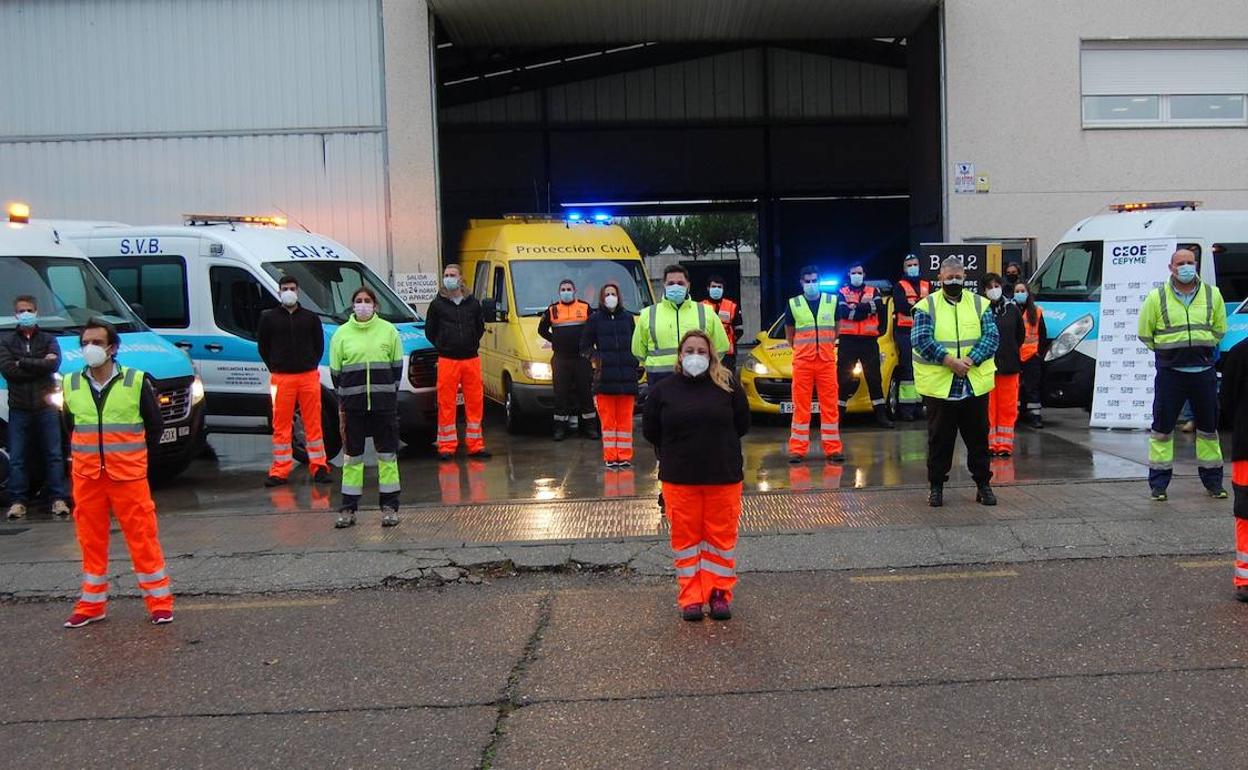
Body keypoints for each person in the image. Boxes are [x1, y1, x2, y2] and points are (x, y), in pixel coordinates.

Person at [60, 319, 172, 627]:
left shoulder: (135, 381)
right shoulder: (70, 383)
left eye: (97, 343)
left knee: (142, 538)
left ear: (112, 348)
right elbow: (69, 427)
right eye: (86, 343)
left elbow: (154, 427)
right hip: (88, 477)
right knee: (90, 541)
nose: (90, 349)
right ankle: (91, 604)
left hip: (128, 476)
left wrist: (138, 462)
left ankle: (159, 602)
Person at [642, 329, 749, 622]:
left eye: (701, 351)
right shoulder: (663, 390)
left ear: (711, 355)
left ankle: (718, 595)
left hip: (723, 477)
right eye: (689, 351)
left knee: (720, 540)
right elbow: (651, 431)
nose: (695, 356)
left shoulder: (727, 385)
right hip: (680, 479)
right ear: (679, 355)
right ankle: (691, 598)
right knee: (686, 540)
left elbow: (742, 423)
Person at [1137, 247, 1227, 502]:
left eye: (1190, 262)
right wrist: (1171, 354)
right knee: (1163, 429)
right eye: (1181, 263)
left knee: (1208, 429)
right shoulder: (1157, 297)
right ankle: (1159, 485)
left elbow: (1220, 329)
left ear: (1196, 265)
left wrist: (1202, 350)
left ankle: (1214, 483)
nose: (1186, 267)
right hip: (1171, 374)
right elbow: (1145, 332)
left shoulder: (1213, 294)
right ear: (1171, 268)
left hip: (1204, 373)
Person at [912, 256, 999, 507]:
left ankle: (984, 486)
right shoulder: (926, 306)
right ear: (939, 278)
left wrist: (969, 361)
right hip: (941, 387)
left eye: (957, 277)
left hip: (973, 386)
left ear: (965, 278)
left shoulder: (980, 304)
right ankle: (936, 487)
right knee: (940, 442)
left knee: (979, 441)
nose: (953, 281)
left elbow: (991, 338)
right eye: (948, 277)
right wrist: (951, 362)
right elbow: (921, 340)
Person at [329, 287, 404, 528]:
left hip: (383, 406)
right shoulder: (341, 335)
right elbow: (336, 373)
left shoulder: (388, 331)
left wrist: (387, 394)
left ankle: (390, 507)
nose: (363, 304)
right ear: (352, 305)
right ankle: (348, 509)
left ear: (375, 305)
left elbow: (396, 368)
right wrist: (347, 397)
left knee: (387, 456)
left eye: (367, 300)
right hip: (353, 407)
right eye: (358, 300)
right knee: (352, 458)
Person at [256, 276, 331, 487]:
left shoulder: (310, 318)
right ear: (279, 292)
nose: (288, 291)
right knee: (281, 423)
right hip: (282, 378)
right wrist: (275, 366)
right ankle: (280, 470)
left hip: (308, 376)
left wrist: (310, 364)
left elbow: (318, 346)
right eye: (285, 288)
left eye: (292, 288)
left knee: (313, 423)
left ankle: (319, 466)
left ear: (298, 291)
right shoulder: (269, 318)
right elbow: (263, 347)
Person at [0, 295, 69, 519]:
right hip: (19, 408)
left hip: (45, 406)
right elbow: (9, 370)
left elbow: (54, 364)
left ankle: (58, 498)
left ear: (37, 312)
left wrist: (24, 361)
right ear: (16, 314)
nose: (26, 314)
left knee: (54, 455)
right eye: (22, 310)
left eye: (29, 309)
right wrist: (39, 364)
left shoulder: (48, 338)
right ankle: (18, 501)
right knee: (18, 456)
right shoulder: (6, 341)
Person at [424, 264, 488, 460]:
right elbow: (430, 331)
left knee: (475, 402)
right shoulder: (437, 305)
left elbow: (479, 328)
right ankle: (446, 446)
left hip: (470, 359)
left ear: (461, 278)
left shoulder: (473, 304)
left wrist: (470, 343)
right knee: (446, 403)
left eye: (452, 275)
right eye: (446, 275)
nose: (448, 278)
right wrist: (443, 345)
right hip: (447, 359)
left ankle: (475, 445)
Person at [632, 264, 730, 389]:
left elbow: (722, 346)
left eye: (680, 283)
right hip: (660, 380)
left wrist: (704, 364)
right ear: (664, 286)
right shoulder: (648, 314)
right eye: (671, 283)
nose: (675, 286)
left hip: (697, 377)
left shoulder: (706, 312)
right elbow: (637, 350)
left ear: (688, 285)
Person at [783, 265, 843, 464]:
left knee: (830, 406)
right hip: (803, 362)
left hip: (826, 362)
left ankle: (833, 449)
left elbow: (837, 329)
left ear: (820, 280)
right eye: (807, 281)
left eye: (814, 280)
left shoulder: (832, 301)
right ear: (801, 283)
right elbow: (790, 334)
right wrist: (803, 350)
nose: (811, 284)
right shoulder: (793, 304)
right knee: (801, 407)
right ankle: (797, 450)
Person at [581, 282, 639, 468]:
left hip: (626, 378)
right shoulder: (595, 319)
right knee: (608, 422)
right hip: (604, 379)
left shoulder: (628, 318)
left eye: (613, 293)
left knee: (624, 422)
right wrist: (597, 360)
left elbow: (636, 343)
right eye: (607, 294)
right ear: (602, 298)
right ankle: (610, 456)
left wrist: (635, 362)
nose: (610, 297)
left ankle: (624, 456)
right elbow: (584, 346)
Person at [538, 278, 598, 441]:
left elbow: (595, 327)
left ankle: (590, 428)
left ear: (574, 291)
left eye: (568, 289)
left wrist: (589, 344)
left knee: (585, 393)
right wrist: (555, 340)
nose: (566, 292)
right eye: (563, 289)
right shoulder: (552, 310)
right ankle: (559, 429)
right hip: (561, 359)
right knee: (561, 395)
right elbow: (541, 330)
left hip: (581, 359)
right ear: (559, 292)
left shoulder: (585, 308)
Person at [836, 262, 892, 428]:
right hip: (848, 341)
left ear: (864, 274)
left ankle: (881, 416)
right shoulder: (841, 292)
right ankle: (838, 416)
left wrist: (857, 307)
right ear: (849, 275)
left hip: (869, 341)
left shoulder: (873, 291)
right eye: (854, 273)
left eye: (859, 272)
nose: (857, 275)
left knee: (874, 378)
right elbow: (843, 312)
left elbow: (879, 307)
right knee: (843, 379)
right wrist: (866, 310)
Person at [1219, 336, 1248, 601]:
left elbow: (1226, 402)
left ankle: (1245, 579)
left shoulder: (1239, 352)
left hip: (1246, 447)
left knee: (1245, 514)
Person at [983, 274, 1025, 457]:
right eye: (990, 286)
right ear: (984, 290)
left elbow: (1020, 336)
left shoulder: (1013, 310)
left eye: (996, 285)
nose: (994, 289)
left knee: (1008, 407)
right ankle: (990, 444)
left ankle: (1005, 445)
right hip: (987, 367)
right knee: (988, 407)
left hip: (1009, 366)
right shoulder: (981, 310)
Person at [892, 254, 931, 421]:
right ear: (904, 268)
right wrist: (921, 305)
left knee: (922, 369)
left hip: (924, 332)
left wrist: (914, 305)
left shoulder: (926, 284)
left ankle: (919, 406)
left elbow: (934, 305)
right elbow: (901, 306)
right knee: (907, 370)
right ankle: (906, 409)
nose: (913, 267)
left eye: (915, 264)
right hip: (905, 332)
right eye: (910, 265)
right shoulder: (899, 285)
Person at [1014, 281, 1048, 428]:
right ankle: (1018, 415)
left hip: (1032, 355)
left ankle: (1035, 415)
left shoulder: (1037, 311)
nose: (1020, 294)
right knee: (1016, 388)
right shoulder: (1010, 310)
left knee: (1032, 387)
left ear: (1028, 293)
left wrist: (1039, 353)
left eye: (1022, 291)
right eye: (1017, 291)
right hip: (1015, 355)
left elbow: (1042, 334)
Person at [702, 275, 743, 372]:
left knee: (727, 380)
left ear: (723, 289)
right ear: (708, 288)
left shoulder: (732, 306)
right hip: (706, 352)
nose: (716, 289)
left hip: (727, 354)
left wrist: (727, 342)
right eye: (713, 286)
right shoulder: (700, 306)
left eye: (719, 287)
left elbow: (739, 330)